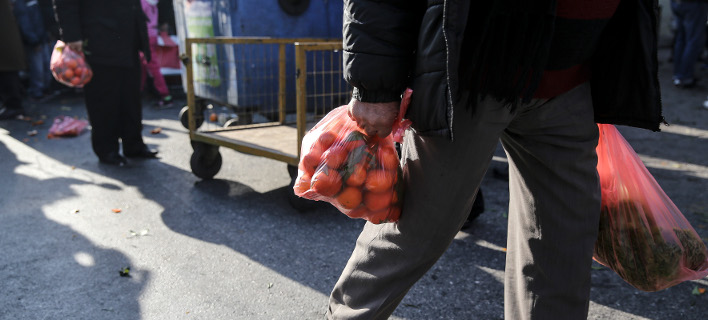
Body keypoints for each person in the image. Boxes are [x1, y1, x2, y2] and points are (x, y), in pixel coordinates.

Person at [328, 1, 664, 319]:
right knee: (417, 231)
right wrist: (373, 86)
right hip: (473, 73)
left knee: (563, 252)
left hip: (570, 80)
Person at [53, 0, 158, 166]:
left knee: (130, 96)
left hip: (128, 36)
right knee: (104, 98)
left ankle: (134, 144)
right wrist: (72, 35)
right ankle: (107, 149)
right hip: (98, 37)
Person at [13, 0, 51, 101]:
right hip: (34, 41)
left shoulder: (35, 2)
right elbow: (25, 25)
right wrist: (33, 41)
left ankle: (45, 89)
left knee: (46, 65)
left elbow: (41, 20)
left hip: (41, 38)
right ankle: (36, 91)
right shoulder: (21, 4)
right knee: (37, 68)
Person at [140, 0, 173, 108]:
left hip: (145, 36)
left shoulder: (143, 2)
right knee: (143, 65)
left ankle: (165, 95)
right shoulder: (153, 3)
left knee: (151, 66)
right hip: (152, 34)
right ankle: (138, 93)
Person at [670, 0, 708, 88]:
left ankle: (678, 74)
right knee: (693, 41)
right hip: (693, 4)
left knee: (681, 39)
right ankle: (684, 76)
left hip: (677, 3)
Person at [0, 0, 27, 120]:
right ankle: (13, 105)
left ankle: (14, 107)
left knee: (8, 77)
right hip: (7, 45)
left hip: (5, 47)